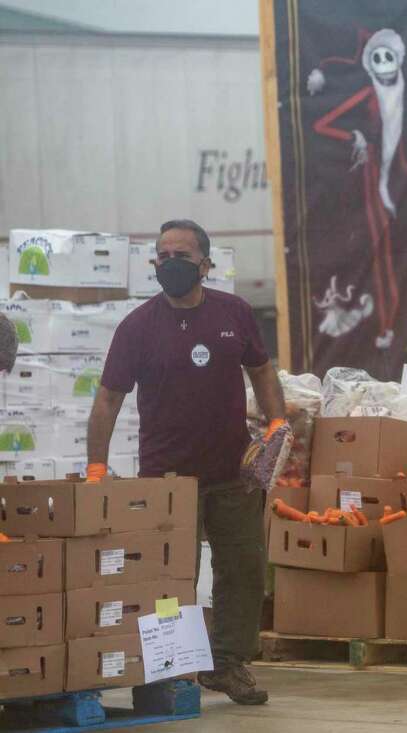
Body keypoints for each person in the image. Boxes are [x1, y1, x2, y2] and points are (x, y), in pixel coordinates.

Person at [86, 219, 287, 704]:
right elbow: (108, 400)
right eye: (163, 255)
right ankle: (169, 668)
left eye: (182, 254)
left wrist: (278, 426)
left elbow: (261, 370)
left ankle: (229, 664)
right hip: (166, 478)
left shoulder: (234, 313)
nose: (170, 263)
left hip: (233, 471)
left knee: (242, 569)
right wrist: (96, 470)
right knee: (171, 577)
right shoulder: (138, 326)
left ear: (205, 263)